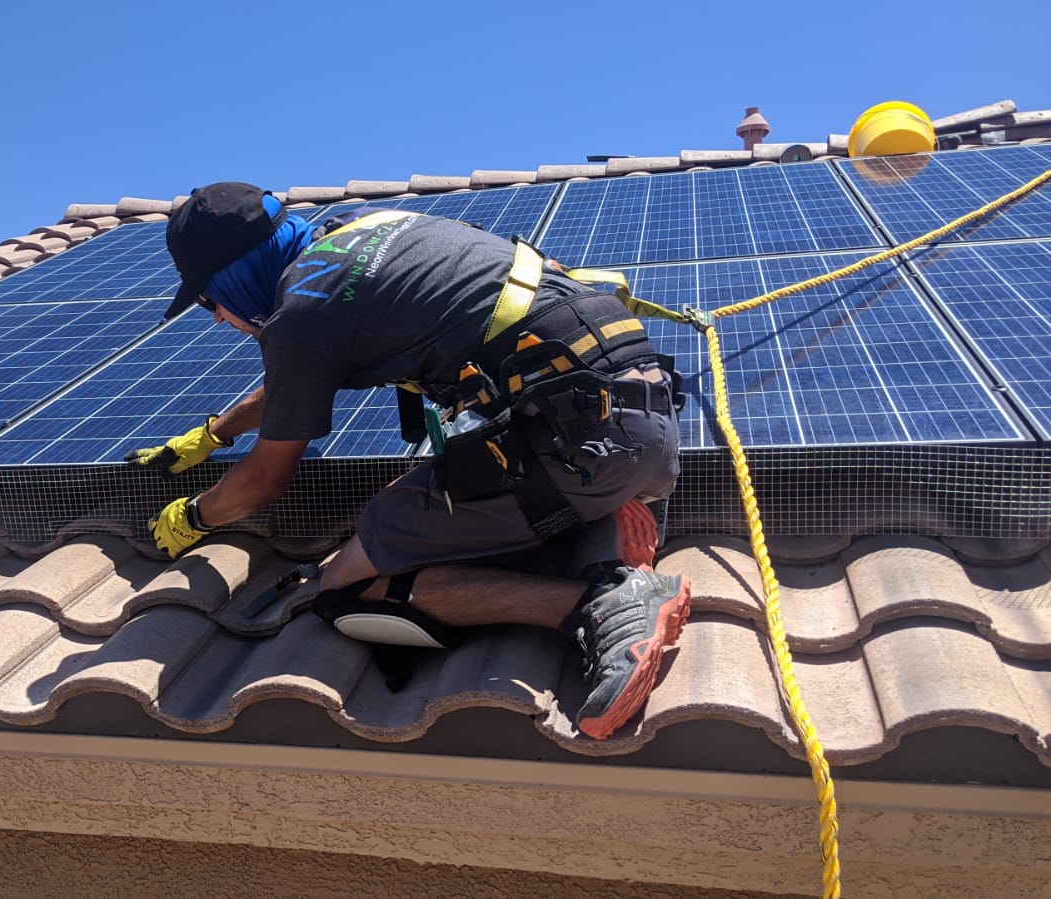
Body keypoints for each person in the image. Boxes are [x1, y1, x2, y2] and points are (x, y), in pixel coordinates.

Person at [126, 182, 690, 740]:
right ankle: (596, 520)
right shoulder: (367, 225)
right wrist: (210, 435)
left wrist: (196, 516)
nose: (220, 318)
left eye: (208, 301)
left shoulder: (303, 310)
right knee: (452, 489)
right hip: (646, 413)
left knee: (342, 588)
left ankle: (600, 605)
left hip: (578, 443)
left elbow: (263, 482)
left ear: (233, 275)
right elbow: (289, 387)